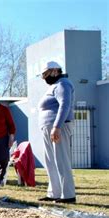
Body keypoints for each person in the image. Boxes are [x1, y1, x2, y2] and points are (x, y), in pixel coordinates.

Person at [37, 61, 76, 203]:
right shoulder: (54, 85)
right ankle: (54, 192)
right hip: (49, 127)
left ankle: (68, 195)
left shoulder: (63, 84)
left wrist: (56, 126)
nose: (44, 78)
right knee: (51, 161)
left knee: (61, 159)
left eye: (45, 74)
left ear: (54, 71)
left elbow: (64, 105)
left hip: (58, 127)